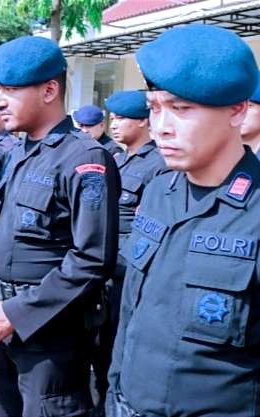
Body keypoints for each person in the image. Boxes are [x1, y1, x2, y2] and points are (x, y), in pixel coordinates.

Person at [107, 24, 260, 417]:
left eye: (181, 109)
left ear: (237, 110)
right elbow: (132, 323)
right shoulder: (158, 193)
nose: (161, 126)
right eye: (155, 108)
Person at [0, 35, 119, 417]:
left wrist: (17, 313)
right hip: (4, 317)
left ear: (49, 90)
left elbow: (92, 259)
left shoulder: (84, 160)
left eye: (9, 90)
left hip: (50, 333)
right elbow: (10, 231)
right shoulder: (22, 152)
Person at [88, 90, 167, 417]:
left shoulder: (158, 165)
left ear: (144, 122)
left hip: (130, 275)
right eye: (113, 118)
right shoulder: (117, 159)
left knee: (120, 353)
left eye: (122, 118)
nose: (114, 124)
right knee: (99, 351)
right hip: (105, 273)